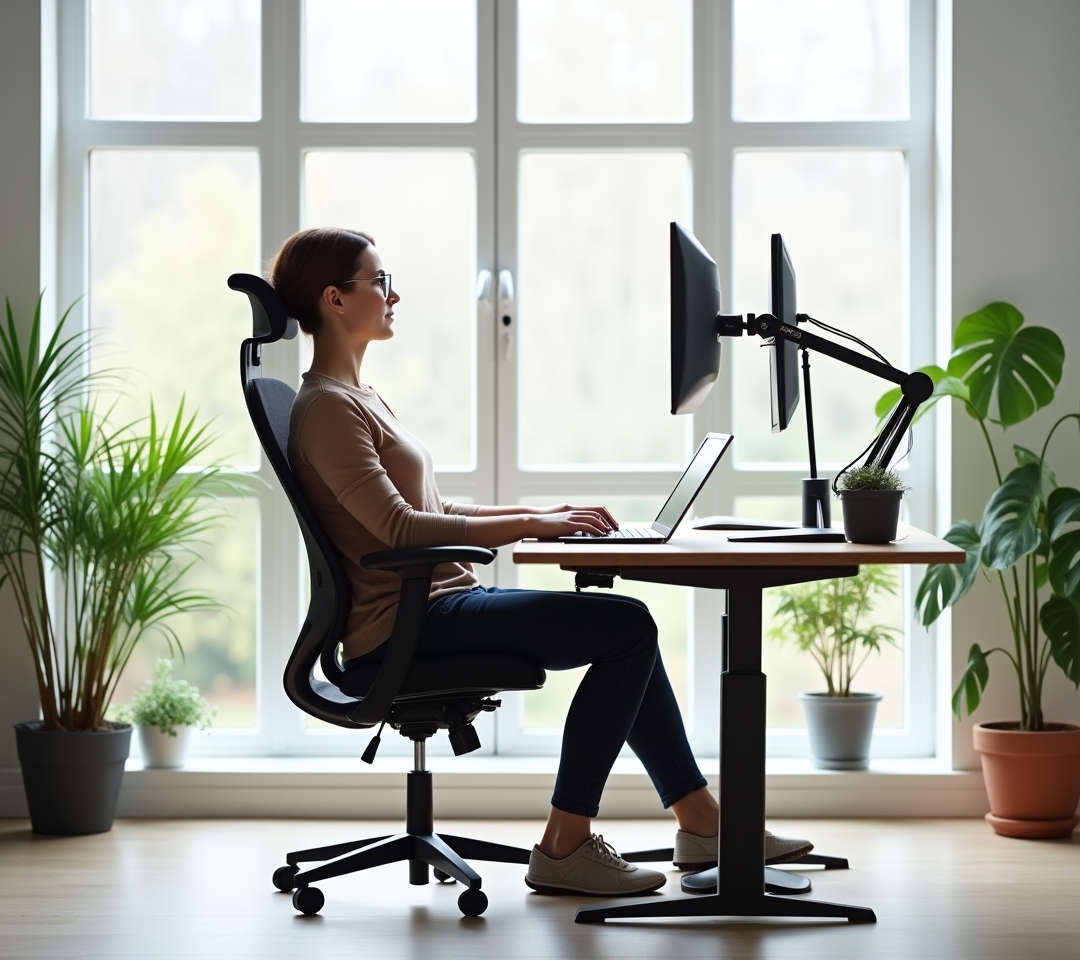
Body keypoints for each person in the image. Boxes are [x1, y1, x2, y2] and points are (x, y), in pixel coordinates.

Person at [276, 227, 812, 897]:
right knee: (627, 628)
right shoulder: (328, 409)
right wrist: (532, 522)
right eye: (379, 281)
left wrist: (540, 513)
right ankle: (566, 844)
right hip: (408, 628)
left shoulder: (359, 398)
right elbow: (398, 527)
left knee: (626, 629)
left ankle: (702, 823)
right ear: (335, 298)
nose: (394, 294)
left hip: (439, 609)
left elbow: (431, 506)